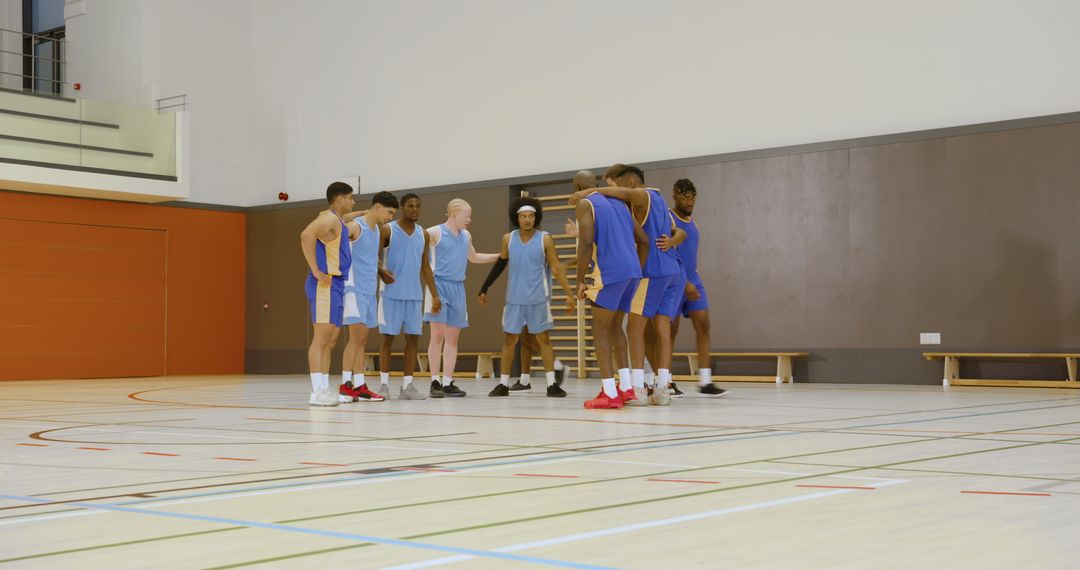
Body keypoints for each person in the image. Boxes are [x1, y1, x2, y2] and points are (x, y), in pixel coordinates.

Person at [479, 197, 576, 398]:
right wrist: (484, 287)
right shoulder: (508, 239)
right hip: (514, 299)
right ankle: (503, 384)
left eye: (531, 216)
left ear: (536, 217)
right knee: (510, 341)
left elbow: (557, 268)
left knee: (543, 341)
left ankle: (552, 385)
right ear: (517, 218)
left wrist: (569, 295)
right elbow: (500, 264)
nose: (527, 220)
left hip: (538, 299)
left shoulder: (545, 239)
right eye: (523, 216)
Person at [573, 171, 650, 409]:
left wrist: (579, 279)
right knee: (617, 328)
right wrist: (636, 267)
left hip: (609, 274)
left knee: (600, 331)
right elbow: (644, 241)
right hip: (632, 274)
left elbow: (586, 242)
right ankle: (626, 388)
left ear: (577, 187)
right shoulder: (620, 203)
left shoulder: (585, 203)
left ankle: (609, 392)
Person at [425, 199, 500, 398]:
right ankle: (434, 381)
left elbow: (473, 257)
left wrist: (500, 256)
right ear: (453, 215)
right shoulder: (435, 232)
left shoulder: (466, 235)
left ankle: (448, 382)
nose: (469, 219)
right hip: (438, 285)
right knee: (437, 335)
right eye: (467, 215)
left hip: (458, 287)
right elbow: (416, 245)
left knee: (453, 337)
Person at [373, 193, 441, 399]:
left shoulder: (423, 234)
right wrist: (381, 271)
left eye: (418, 206)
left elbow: (425, 266)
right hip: (391, 294)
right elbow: (373, 256)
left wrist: (435, 295)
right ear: (402, 207)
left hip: (414, 295)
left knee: (413, 340)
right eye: (410, 206)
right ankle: (384, 385)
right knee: (387, 340)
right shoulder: (387, 229)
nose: (414, 209)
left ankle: (407, 386)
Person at [338, 191, 399, 402]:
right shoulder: (356, 226)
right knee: (356, 337)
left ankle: (360, 385)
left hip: (369, 289)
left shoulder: (377, 230)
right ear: (378, 206)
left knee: (362, 339)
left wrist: (381, 272)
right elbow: (332, 239)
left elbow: (371, 260)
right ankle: (345, 385)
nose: (390, 217)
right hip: (353, 288)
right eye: (389, 212)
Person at [669, 179, 728, 397]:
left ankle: (705, 381)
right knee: (669, 332)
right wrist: (684, 283)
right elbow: (668, 253)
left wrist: (691, 279)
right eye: (685, 196)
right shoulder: (668, 218)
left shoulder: (693, 222)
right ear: (675, 195)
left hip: (694, 278)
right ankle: (665, 382)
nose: (689, 201)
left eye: (692, 196)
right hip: (675, 280)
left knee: (704, 326)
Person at [298, 182, 355, 407]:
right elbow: (306, 235)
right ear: (339, 198)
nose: (353, 202)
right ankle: (316, 392)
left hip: (337, 284)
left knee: (330, 340)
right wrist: (315, 269)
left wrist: (364, 213)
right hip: (326, 284)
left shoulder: (338, 220)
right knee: (321, 338)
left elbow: (351, 215)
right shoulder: (329, 218)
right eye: (351, 198)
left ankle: (323, 388)